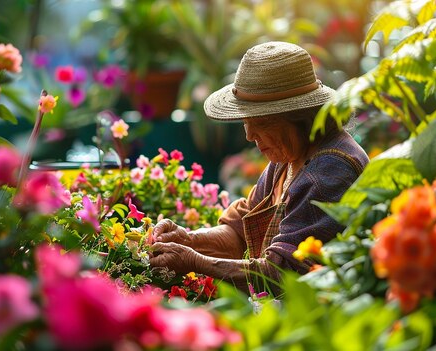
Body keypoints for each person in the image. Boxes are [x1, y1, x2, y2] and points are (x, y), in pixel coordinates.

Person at [149, 41, 369, 294]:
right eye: (245, 120)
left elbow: (283, 274)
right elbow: (239, 230)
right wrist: (187, 240)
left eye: (261, 121)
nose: (249, 135)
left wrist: (194, 261)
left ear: (300, 117)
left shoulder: (329, 170)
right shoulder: (289, 155)